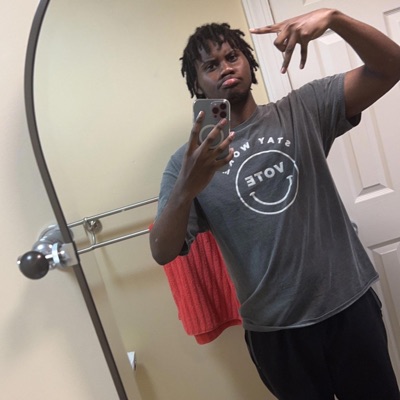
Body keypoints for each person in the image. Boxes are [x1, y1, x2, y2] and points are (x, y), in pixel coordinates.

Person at [150, 8, 400, 400]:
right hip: (276, 332)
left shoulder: (304, 109)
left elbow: (391, 67)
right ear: (197, 84)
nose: (225, 67)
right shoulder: (189, 161)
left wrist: (335, 19)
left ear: (249, 63)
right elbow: (162, 251)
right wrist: (186, 187)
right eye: (210, 65)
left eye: (232, 56)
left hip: (348, 307)